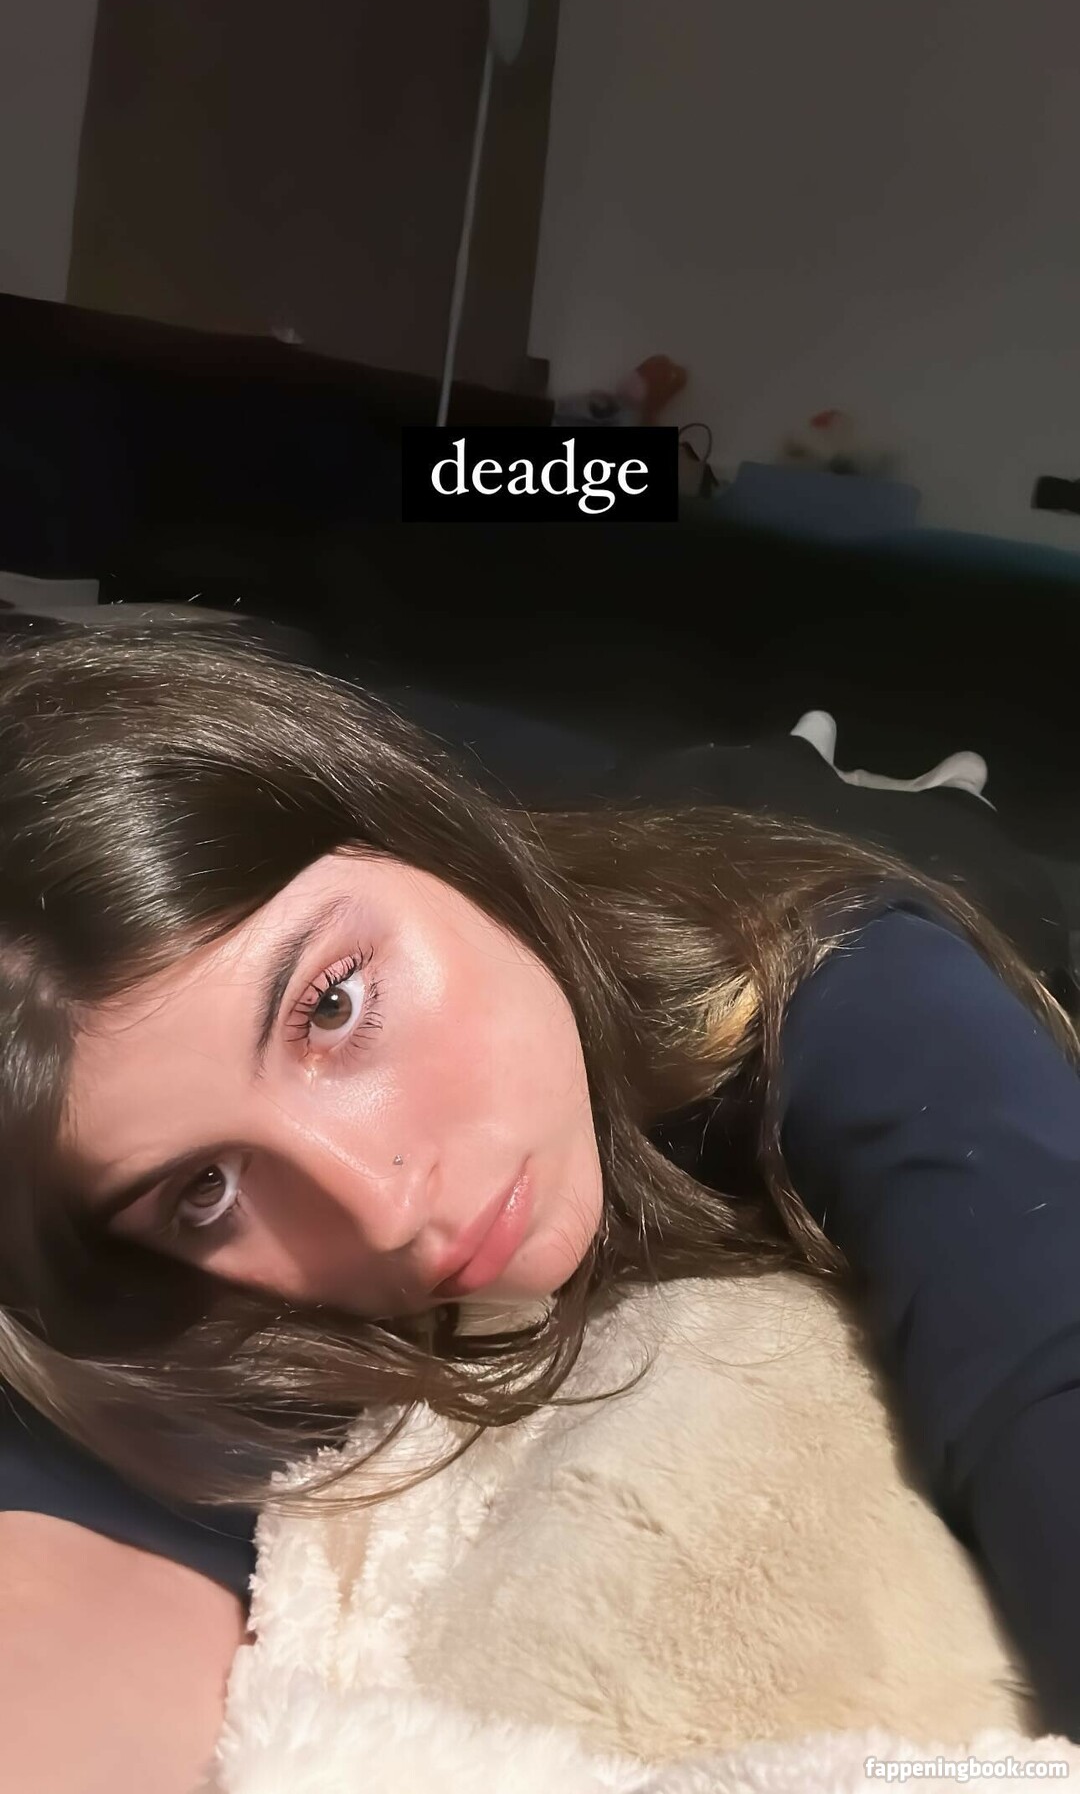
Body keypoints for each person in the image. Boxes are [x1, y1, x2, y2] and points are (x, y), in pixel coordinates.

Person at [1, 621, 1079, 1791]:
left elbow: (1041, 1340)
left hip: (862, 860)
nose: (378, 1209)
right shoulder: (167, 1287)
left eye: (333, 1006)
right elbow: (70, 1585)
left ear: (416, 831)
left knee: (879, 807)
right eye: (204, 1188)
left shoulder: (840, 976)